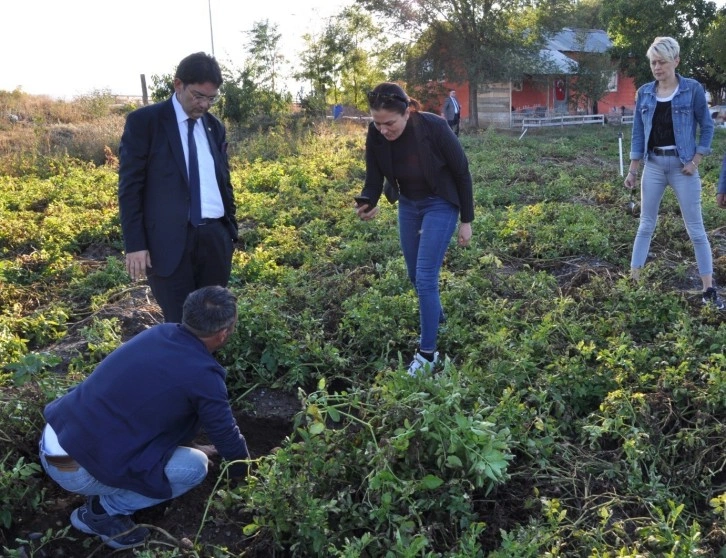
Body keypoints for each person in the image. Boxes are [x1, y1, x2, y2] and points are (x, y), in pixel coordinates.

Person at [38, 286, 250, 550]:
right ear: (223, 333)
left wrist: (191, 444)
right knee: (194, 467)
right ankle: (102, 513)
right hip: (74, 469)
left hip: (54, 439)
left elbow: (150, 409)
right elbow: (226, 434)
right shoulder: (204, 377)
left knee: (161, 441)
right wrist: (246, 475)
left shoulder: (159, 333)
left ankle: (101, 494)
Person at [356, 82, 474, 375]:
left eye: (389, 123)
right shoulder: (376, 134)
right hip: (409, 203)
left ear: (407, 111)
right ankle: (439, 319)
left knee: (424, 277)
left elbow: (461, 171)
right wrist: (368, 200)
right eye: (377, 123)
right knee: (413, 274)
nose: (383, 129)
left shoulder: (433, 127)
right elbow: (374, 176)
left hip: (440, 203)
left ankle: (428, 355)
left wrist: (467, 221)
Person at [119, 52, 239, 323]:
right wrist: (135, 244)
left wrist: (230, 230)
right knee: (179, 322)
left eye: (211, 98)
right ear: (178, 85)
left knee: (212, 319)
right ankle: (181, 366)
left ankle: (207, 366)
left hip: (214, 239)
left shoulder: (213, 126)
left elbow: (222, 179)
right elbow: (130, 188)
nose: (204, 104)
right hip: (169, 243)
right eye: (198, 96)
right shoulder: (146, 122)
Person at [623, 37, 721, 308]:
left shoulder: (692, 89)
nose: (657, 67)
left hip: (683, 168)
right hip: (653, 166)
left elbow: (707, 126)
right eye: (653, 62)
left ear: (676, 61)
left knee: (696, 230)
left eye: (662, 62)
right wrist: (633, 170)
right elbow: (638, 133)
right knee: (645, 225)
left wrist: (697, 159)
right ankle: (633, 282)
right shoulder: (644, 92)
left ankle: (709, 289)